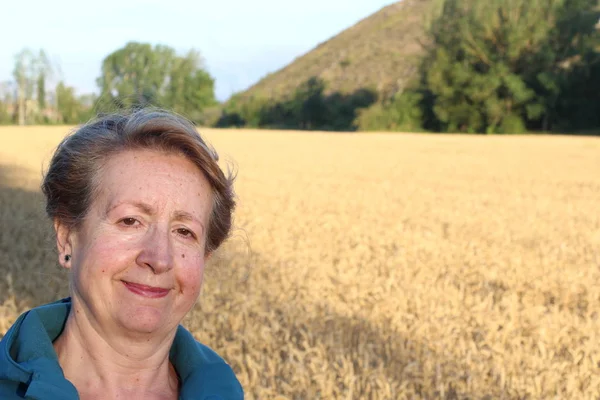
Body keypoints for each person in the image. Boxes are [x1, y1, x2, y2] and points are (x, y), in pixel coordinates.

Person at [0, 109, 244, 399]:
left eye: (184, 232)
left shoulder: (222, 391)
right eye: (130, 221)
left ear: (204, 258)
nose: (159, 259)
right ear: (66, 237)